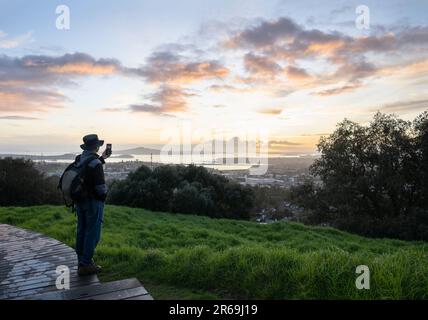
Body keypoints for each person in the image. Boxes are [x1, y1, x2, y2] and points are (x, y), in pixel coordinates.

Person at [75, 134, 111, 276]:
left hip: (79, 200)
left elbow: (87, 170)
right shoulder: (95, 163)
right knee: (93, 233)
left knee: (81, 230)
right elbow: (101, 188)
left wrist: (102, 158)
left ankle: (81, 261)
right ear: (96, 146)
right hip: (93, 202)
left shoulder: (79, 158)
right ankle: (86, 264)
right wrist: (104, 197)